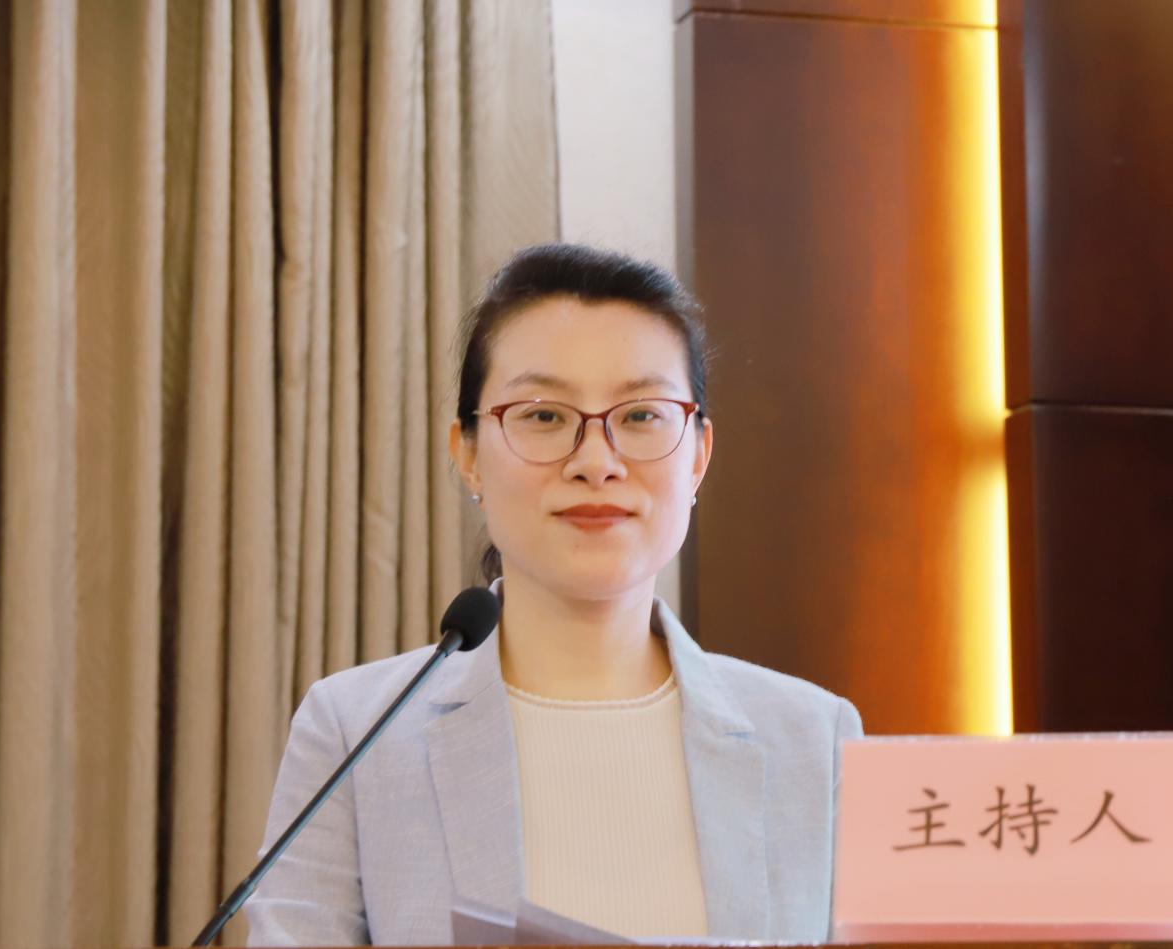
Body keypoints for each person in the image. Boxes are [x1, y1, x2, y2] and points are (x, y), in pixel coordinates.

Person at [245, 243, 863, 946]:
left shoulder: (816, 740)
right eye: (543, 416)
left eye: (641, 415)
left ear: (697, 454)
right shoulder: (355, 731)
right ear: (468, 454)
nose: (596, 462)